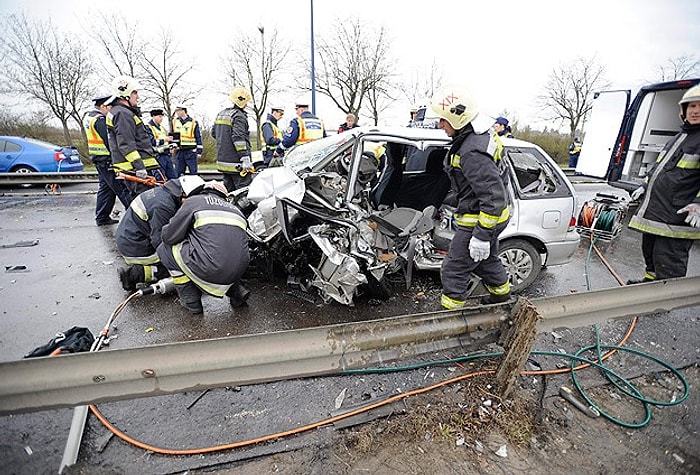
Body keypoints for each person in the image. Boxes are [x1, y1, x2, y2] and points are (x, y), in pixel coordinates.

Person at [429, 85, 512, 309]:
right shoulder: (478, 137)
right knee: (486, 261)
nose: (440, 125)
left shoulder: (472, 153)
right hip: (490, 215)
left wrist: (482, 236)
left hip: (482, 218)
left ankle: (448, 318)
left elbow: (493, 198)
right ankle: (502, 298)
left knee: (454, 268)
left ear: (458, 121)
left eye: (443, 120)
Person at [626, 84, 700, 284]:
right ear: (683, 111)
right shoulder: (679, 137)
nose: (696, 111)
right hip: (658, 211)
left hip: (678, 215)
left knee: (670, 258)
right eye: (691, 106)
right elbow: (659, 169)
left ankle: (664, 300)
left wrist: (698, 204)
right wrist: (644, 185)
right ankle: (650, 284)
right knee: (650, 252)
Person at [157, 181, 251, 314]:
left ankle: (191, 300)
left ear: (203, 191)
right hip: (239, 270)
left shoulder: (194, 202)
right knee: (224, 253)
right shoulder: (236, 211)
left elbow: (169, 237)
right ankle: (237, 291)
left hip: (211, 268)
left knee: (165, 250)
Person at [116, 175, 205, 291]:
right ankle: (134, 274)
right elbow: (161, 241)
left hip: (132, 239)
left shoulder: (165, 193)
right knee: (184, 269)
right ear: (183, 194)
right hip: (137, 248)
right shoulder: (163, 206)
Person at [105, 75, 161, 198]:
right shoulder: (122, 114)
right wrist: (139, 167)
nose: (138, 96)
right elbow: (126, 144)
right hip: (134, 170)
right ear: (125, 93)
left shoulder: (121, 112)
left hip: (133, 168)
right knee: (144, 206)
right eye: (135, 92)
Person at [83, 93, 133, 226]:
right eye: (109, 107)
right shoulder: (100, 119)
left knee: (106, 189)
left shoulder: (89, 117)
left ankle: (102, 217)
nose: (111, 110)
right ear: (103, 106)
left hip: (99, 158)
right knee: (122, 189)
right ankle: (135, 218)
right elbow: (110, 141)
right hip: (107, 159)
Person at [211, 86, 254, 192]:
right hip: (237, 164)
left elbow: (213, 133)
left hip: (224, 162)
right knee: (243, 194)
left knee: (228, 193)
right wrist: (245, 157)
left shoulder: (221, 114)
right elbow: (239, 139)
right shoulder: (239, 117)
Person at [172, 105, 203, 176]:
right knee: (178, 173)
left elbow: (198, 137)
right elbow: (172, 136)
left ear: (183, 110)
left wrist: (199, 151)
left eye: (178, 110)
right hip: (179, 150)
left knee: (193, 173)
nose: (177, 112)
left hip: (191, 151)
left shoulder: (193, 122)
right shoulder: (174, 122)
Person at [146, 109, 177, 180]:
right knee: (159, 179)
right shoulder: (148, 127)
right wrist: (165, 140)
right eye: (159, 116)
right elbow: (151, 142)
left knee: (173, 178)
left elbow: (166, 143)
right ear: (153, 116)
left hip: (166, 155)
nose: (161, 119)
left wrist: (170, 148)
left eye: (162, 117)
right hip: (157, 157)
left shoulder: (162, 128)